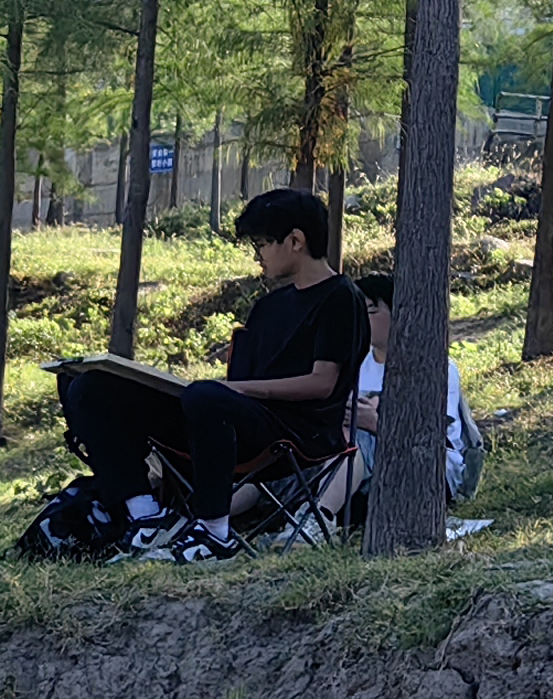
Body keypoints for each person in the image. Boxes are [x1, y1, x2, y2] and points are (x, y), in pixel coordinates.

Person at [65, 186, 365, 563]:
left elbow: (322, 384)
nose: (257, 256)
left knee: (206, 397)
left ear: (295, 241)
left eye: (261, 244)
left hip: (297, 432)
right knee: (91, 387)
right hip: (237, 417)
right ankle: (147, 516)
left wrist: (232, 390)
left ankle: (214, 534)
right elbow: (237, 386)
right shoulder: (268, 307)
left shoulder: (341, 297)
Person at [351, 276, 483, 508]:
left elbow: (432, 435)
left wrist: (375, 424)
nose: (360, 320)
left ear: (398, 312)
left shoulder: (435, 367)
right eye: (355, 312)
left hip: (428, 468)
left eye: (370, 311)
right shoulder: (355, 367)